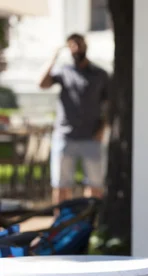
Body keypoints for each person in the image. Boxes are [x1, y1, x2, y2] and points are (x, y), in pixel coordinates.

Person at [39, 33, 110, 205]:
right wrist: (54, 56)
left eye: (79, 44)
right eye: (71, 45)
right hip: (65, 136)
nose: (76, 48)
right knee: (61, 185)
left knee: (95, 185)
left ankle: (90, 222)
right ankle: (61, 224)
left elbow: (109, 105)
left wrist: (103, 129)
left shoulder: (100, 74)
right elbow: (42, 83)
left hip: (91, 137)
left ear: (86, 45)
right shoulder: (64, 71)